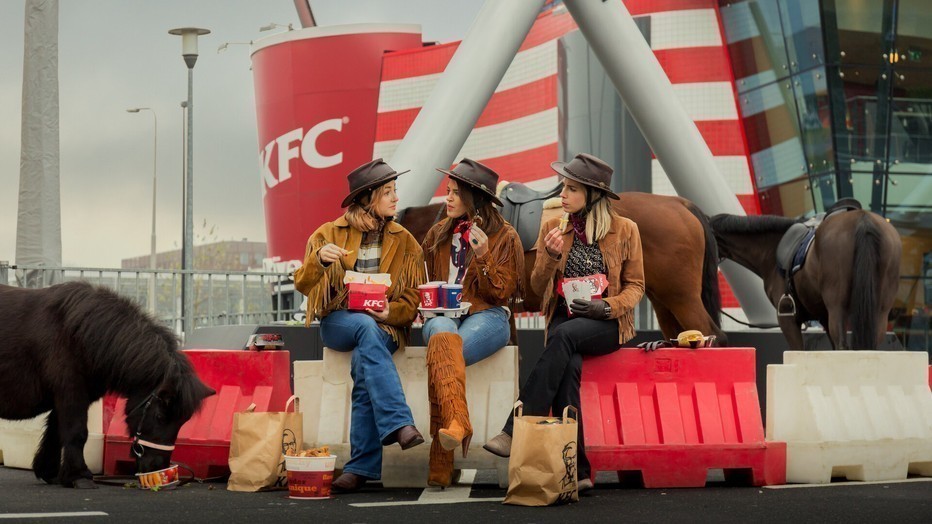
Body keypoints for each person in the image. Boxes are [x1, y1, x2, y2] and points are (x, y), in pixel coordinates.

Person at [482, 153, 645, 492]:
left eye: (571, 189)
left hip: (607, 322)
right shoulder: (553, 229)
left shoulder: (625, 230)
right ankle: (579, 472)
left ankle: (515, 428)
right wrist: (551, 256)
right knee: (568, 368)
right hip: (564, 319)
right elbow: (536, 287)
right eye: (564, 187)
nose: (563, 195)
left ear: (592, 194)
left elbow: (636, 287)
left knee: (565, 337)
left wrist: (606, 307)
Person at [294, 158, 427, 493]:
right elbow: (303, 285)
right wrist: (319, 261)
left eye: (395, 190)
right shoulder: (327, 234)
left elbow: (412, 298)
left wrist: (389, 311)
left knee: (363, 360)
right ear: (368, 198)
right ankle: (399, 423)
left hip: (386, 327)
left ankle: (361, 468)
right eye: (388, 192)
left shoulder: (406, 241)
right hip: (339, 322)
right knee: (364, 329)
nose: (396, 198)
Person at [420, 158, 524, 488]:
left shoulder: (505, 236)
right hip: (441, 318)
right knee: (441, 334)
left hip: (488, 316)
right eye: (447, 191)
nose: (447, 198)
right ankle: (458, 423)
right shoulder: (438, 233)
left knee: (444, 355)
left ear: (474, 199)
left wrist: (483, 256)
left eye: (455, 193)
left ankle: (441, 459)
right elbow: (422, 280)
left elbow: (502, 293)